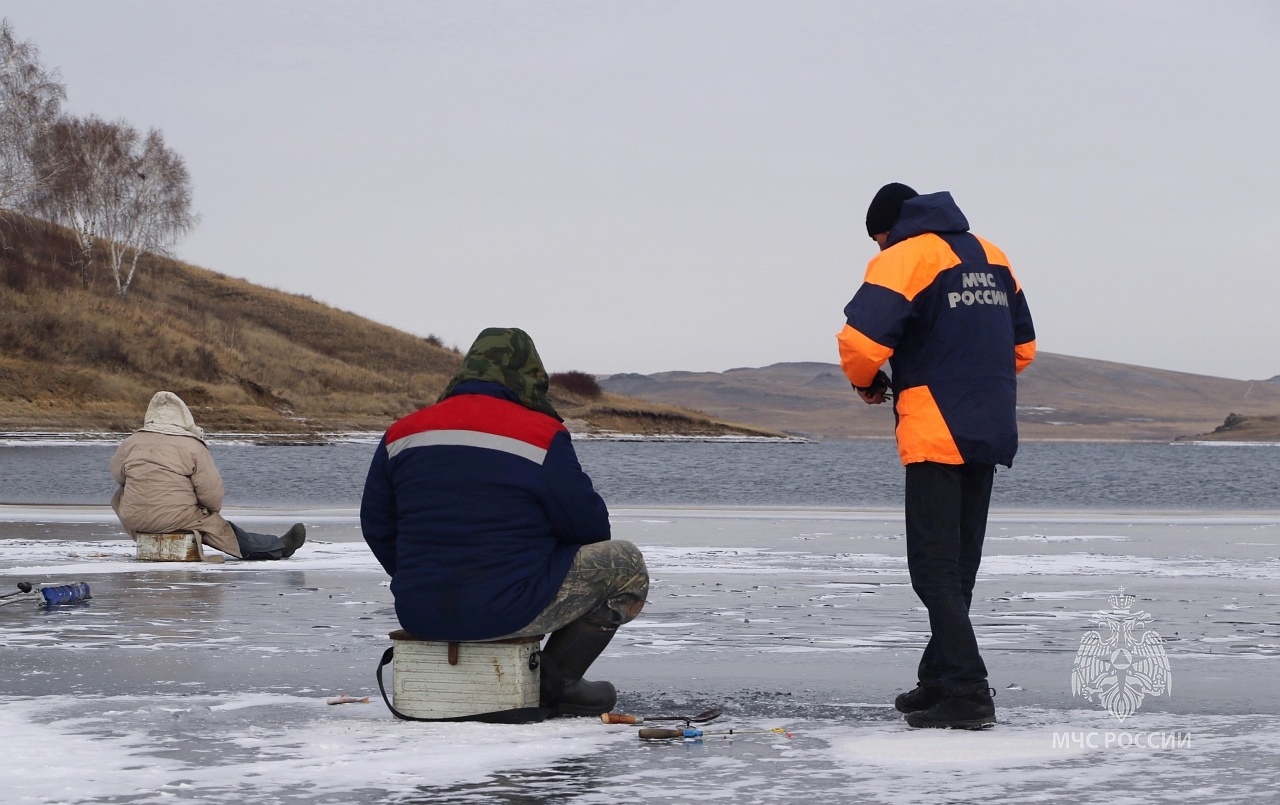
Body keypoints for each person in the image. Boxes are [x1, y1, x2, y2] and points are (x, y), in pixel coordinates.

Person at [360, 327, 648, 717]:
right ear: (529, 376)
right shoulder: (541, 434)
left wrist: (423, 577)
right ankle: (558, 680)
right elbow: (590, 528)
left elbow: (377, 524)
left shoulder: (403, 432)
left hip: (420, 610)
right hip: (507, 609)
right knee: (625, 565)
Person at [837, 183, 1036, 729]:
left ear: (888, 228)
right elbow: (1023, 348)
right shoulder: (992, 255)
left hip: (934, 428)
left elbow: (859, 344)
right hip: (990, 425)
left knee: (932, 566)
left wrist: (866, 383)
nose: (880, 248)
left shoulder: (905, 257)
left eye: (879, 238)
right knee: (960, 564)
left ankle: (969, 691)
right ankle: (938, 680)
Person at [110, 391, 306, 560]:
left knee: (121, 493)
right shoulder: (193, 446)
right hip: (177, 518)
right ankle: (276, 547)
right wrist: (209, 513)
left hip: (134, 518)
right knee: (219, 528)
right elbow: (212, 494)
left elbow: (118, 476)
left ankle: (147, 530)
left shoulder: (131, 442)